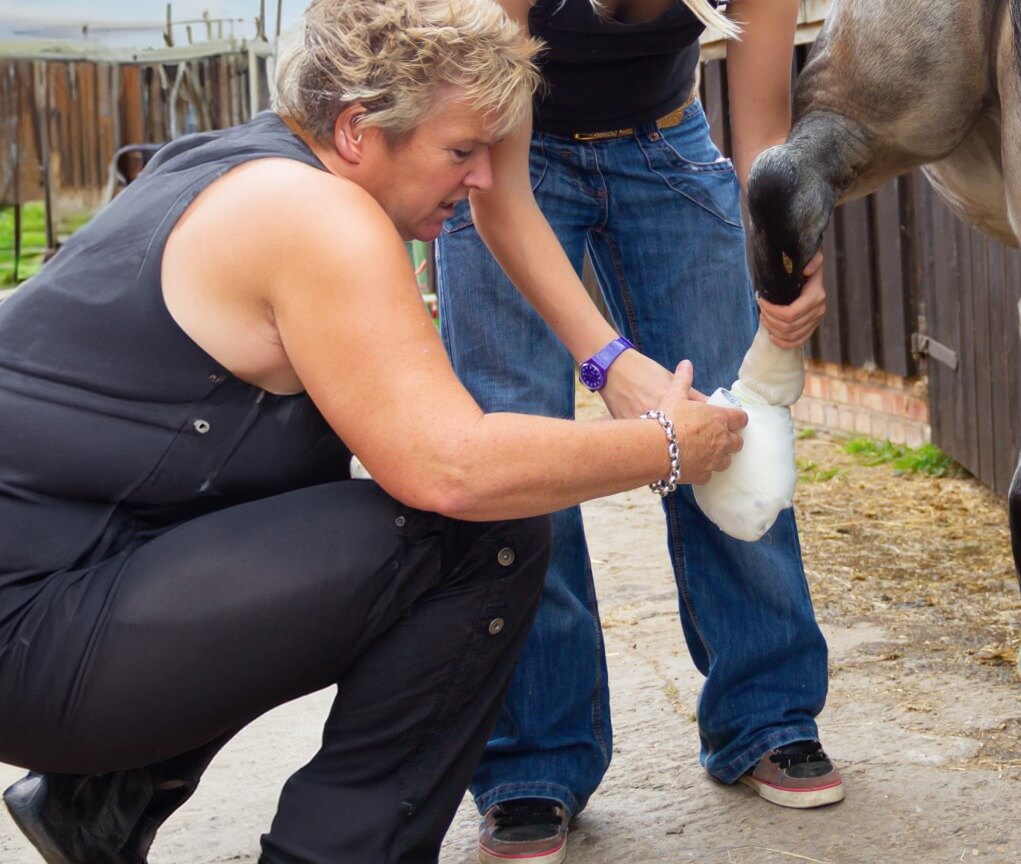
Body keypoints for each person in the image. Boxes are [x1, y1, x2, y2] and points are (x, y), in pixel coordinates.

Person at [0, 1, 745, 862]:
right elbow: (452, 468)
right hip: (33, 635)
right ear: (358, 130)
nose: (478, 182)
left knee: (319, 480)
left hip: (47, 604)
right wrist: (670, 445)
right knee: (482, 533)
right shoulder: (319, 217)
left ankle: (101, 800)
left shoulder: (232, 164)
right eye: (460, 152)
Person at [433, 0, 836, 860]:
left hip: (668, 144)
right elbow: (499, 195)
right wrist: (607, 361)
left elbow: (763, 129)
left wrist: (782, 246)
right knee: (515, 452)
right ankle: (532, 758)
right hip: (512, 160)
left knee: (731, 425)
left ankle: (765, 709)